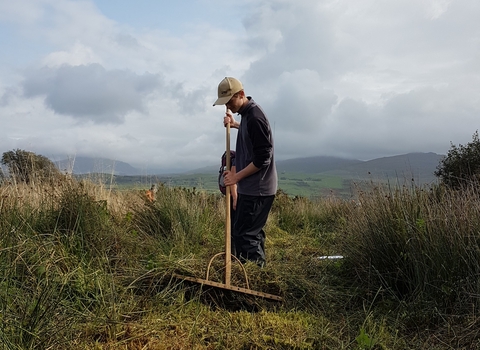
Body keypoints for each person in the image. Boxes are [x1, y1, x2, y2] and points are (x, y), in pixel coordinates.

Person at [213, 77, 277, 267]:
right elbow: (253, 136)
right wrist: (235, 125)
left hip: (257, 190)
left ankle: (254, 279)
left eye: (229, 101)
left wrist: (235, 177)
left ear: (241, 94)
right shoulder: (248, 116)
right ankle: (255, 273)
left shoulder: (255, 117)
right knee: (249, 233)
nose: (228, 107)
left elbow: (262, 158)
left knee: (245, 236)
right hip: (253, 188)